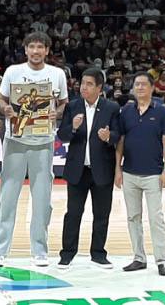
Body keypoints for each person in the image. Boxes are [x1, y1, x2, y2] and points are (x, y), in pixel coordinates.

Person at [0, 31, 69, 267]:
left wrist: (58, 113)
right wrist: (5, 110)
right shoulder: (13, 72)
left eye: (40, 47)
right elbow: (2, 99)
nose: (36, 51)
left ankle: (40, 250)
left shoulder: (57, 74)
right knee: (7, 197)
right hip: (15, 140)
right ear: (25, 50)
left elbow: (63, 103)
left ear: (46, 50)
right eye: (31, 47)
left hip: (43, 142)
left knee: (42, 199)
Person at [56, 68, 121, 269]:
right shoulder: (72, 106)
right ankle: (67, 254)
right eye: (82, 83)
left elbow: (119, 136)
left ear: (99, 88)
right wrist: (73, 127)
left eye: (89, 84)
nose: (83, 87)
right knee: (73, 213)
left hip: (102, 169)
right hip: (78, 170)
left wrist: (108, 137)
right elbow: (63, 136)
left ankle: (98, 253)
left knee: (102, 214)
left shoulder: (111, 107)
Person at [115, 72, 165, 276]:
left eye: (143, 84)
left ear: (152, 88)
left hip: (153, 174)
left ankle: (162, 260)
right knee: (133, 217)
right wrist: (118, 169)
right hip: (129, 173)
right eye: (136, 84)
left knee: (156, 217)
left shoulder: (163, 111)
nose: (139, 88)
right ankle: (139, 258)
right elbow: (120, 141)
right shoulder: (125, 111)